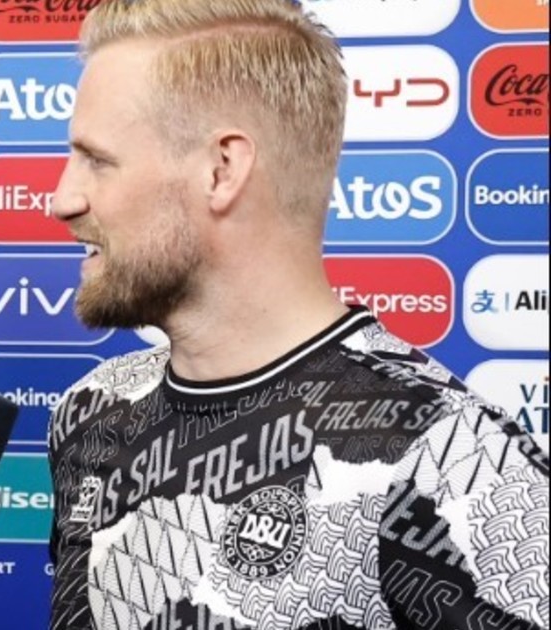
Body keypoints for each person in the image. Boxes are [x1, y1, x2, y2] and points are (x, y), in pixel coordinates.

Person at [46, 1, 550, 629]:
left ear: (222, 170)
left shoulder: (457, 465)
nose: (61, 199)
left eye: (97, 160)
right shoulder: (90, 410)